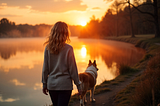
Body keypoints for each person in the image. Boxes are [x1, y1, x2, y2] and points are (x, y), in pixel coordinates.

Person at [42, 21, 82, 106]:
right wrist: (78, 85)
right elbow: (73, 69)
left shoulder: (48, 48)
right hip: (65, 85)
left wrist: (44, 84)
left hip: (52, 85)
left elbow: (45, 69)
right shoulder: (68, 49)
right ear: (66, 33)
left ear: (53, 33)